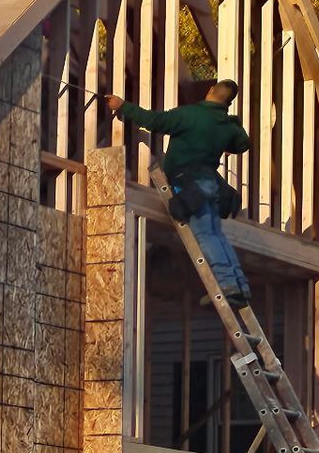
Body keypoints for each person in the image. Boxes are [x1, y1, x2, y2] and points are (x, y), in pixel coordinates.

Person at [104, 80, 254, 307]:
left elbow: (154, 121)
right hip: (211, 184)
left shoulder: (190, 115)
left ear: (210, 91)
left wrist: (122, 106)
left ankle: (228, 286)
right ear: (228, 102)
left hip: (190, 183)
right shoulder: (225, 124)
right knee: (216, 235)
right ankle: (240, 285)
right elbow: (243, 144)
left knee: (205, 236)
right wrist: (229, 119)